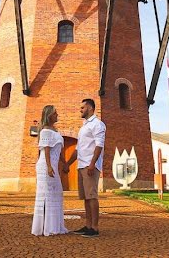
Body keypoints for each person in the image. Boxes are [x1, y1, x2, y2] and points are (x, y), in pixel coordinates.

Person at [63, 98, 105, 237]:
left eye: (83, 107)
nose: (80, 109)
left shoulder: (97, 124)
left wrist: (93, 163)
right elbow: (78, 149)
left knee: (92, 196)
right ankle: (88, 225)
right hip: (82, 165)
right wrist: (68, 163)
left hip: (90, 165)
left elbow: (99, 145)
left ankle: (95, 228)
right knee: (86, 197)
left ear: (91, 108)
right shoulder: (84, 127)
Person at [31, 105, 68, 236]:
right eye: (55, 113)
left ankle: (53, 225)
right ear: (50, 115)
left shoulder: (56, 131)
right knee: (47, 194)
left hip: (52, 165)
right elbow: (46, 149)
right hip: (45, 166)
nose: (57, 114)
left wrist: (64, 163)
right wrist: (49, 166)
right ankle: (46, 227)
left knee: (56, 193)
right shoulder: (45, 131)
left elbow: (59, 150)